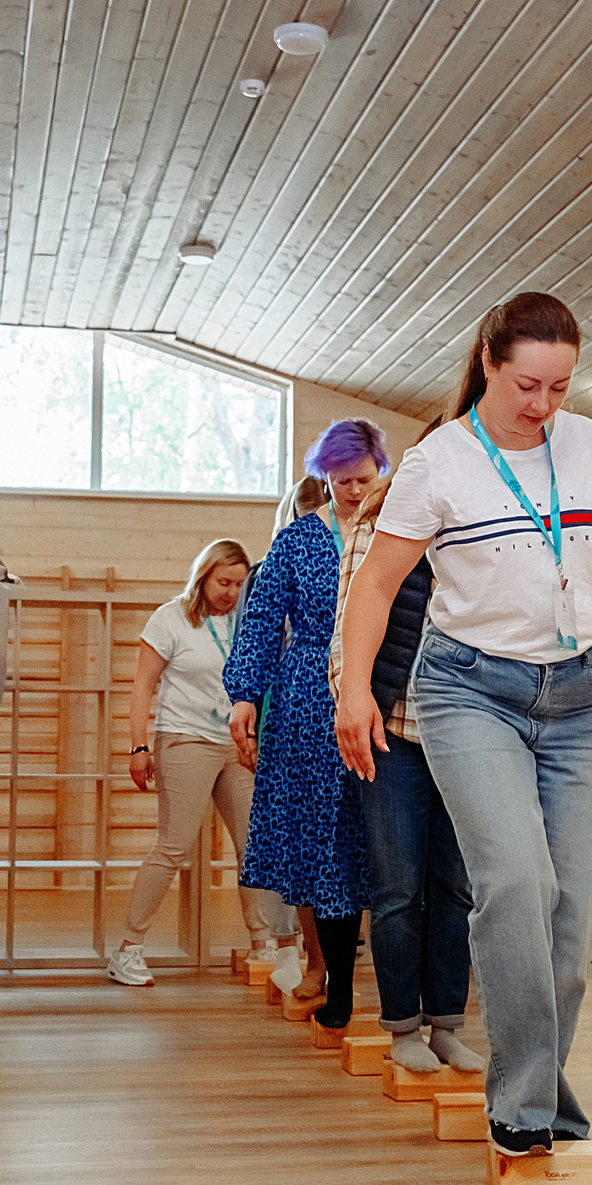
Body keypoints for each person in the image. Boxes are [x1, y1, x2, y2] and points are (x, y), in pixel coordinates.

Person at [335, 292, 592, 1159]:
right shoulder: (439, 462)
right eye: (527, 385)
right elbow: (378, 585)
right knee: (515, 885)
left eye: (561, 387)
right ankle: (525, 1105)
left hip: (581, 697)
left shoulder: (587, 444)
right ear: (490, 363)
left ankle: (537, 1092)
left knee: (571, 918)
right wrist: (355, 690)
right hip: (470, 694)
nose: (543, 406)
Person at [226, 421, 386, 1030]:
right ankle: (326, 972)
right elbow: (261, 621)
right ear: (323, 477)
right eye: (339, 480)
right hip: (305, 703)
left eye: (363, 479)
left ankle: (361, 978)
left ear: (380, 471)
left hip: (379, 691)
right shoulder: (295, 543)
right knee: (318, 841)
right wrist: (244, 697)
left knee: (369, 844)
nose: (351, 490)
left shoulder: (394, 534)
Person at [330, 441, 480, 1076]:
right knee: (396, 889)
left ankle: (446, 1022)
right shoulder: (377, 528)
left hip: (463, 735)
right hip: (393, 731)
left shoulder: (479, 529)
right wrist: (351, 698)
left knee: (457, 886)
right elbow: (348, 625)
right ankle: (402, 1027)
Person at [107, 540, 278, 985]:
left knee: (254, 845)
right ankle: (127, 949)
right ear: (203, 576)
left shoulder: (246, 620)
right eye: (224, 582)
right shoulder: (170, 619)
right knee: (174, 845)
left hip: (236, 743)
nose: (232, 592)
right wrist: (138, 747)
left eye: (240, 584)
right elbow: (142, 685)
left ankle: (265, 944)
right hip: (184, 739)